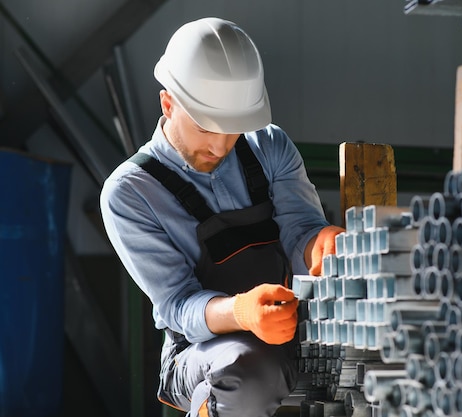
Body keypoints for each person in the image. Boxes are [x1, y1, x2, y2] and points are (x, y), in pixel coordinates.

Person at [100, 17, 344, 417]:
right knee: (248, 371)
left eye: (232, 128)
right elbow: (179, 304)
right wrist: (242, 312)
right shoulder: (129, 193)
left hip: (291, 328)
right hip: (200, 350)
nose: (220, 145)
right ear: (167, 104)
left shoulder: (270, 146)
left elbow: (301, 232)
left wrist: (321, 243)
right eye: (205, 126)